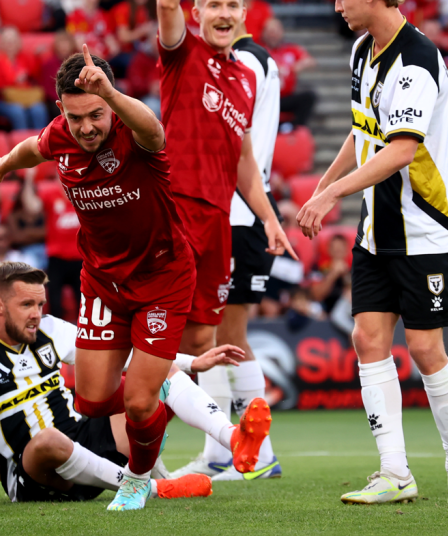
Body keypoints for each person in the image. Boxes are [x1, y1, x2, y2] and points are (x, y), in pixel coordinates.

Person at [0, 49, 273, 511]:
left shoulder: (137, 135)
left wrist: (109, 94)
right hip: (103, 283)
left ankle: (138, 478)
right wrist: (2, 165)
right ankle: (179, 392)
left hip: (163, 278)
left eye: (97, 114)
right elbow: (32, 149)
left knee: (137, 402)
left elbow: (153, 127)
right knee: (92, 401)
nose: (88, 127)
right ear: (61, 111)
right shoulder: (61, 136)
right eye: (76, 117)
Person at [0, 261, 263, 511]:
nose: (38, 314)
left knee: (152, 385)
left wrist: (192, 362)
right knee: (47, 439)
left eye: (40, 304)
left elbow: (125, 358)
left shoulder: (51, 329)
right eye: (27, 306)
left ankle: (235, 441)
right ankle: (152, 488)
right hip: (33, 472)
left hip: (83, 439)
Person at [297, 0, 448, 505]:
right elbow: (363, 132)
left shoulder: (416, 60)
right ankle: (394, 472)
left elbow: (401, 150)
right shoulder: (361, 50)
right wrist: (324, 182)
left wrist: (332, 196)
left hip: (427, 230)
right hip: (377, 229)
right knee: (367, 337)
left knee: (424, 349)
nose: (337, 5)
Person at [156, 0, 292, 380]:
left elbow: (244, 161)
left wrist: (270, 219)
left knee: (205, 339)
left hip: (219, 220)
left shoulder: (245, 76)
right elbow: (166, 6)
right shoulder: (182, 53)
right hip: (177, 214)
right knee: (162, 335)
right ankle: (133, 430)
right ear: (195, 13)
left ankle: (222, 439)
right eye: (213, 4)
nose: (225, 14)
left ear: (246, 13)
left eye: (233, 5)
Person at [172, 22, 283, 482]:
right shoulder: (247, 60)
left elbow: (238, 149)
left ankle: (257, 455)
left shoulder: (242, 64)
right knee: (209, 337)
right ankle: (222, 451)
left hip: (236, 213)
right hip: (231, 211)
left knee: (227, 336)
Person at [22, 171, 82, 319]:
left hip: (80, 258)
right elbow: (32, 207)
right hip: (57, 259)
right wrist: (29, 179)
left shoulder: (83, 193)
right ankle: (57, 338)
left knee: (84, 304)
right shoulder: (50, 193)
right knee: (54, 304)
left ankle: (86, 339)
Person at [0, 26, 48, 130]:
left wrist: (37, 58)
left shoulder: (25, 57)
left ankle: (41, 142)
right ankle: (23, 144)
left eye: (13, 41)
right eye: (7, 41)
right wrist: (14, 80)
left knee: (39, 109)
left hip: (26, 96)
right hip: (4, 99)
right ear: (1, 43)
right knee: (17, 111)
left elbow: (36, 75)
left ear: (18, 42)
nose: (10, 44)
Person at [261, 17, 317, 127]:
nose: (273, 35)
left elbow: (310, 61)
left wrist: (299, 65)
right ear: (264, 34)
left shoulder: (290, 49)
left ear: (282, 32)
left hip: (285, 98)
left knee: (308, 97)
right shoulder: (260, 51)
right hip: (266, 98)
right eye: (270, 32)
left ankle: (295, 128)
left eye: (276, 32)